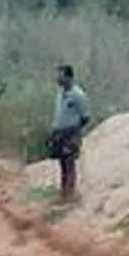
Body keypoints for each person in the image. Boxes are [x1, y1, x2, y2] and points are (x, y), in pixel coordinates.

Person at [48, 64, 91, 203]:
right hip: (59, 132)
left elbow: (85, 116)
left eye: (61, 76)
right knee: (62, 164)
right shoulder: (60, 93)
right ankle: (63, 193)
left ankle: (70, 194)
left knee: (69, 162)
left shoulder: (78, 95)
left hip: (71, 132)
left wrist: (75, 132)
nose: (58, 79)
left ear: (69, 77)